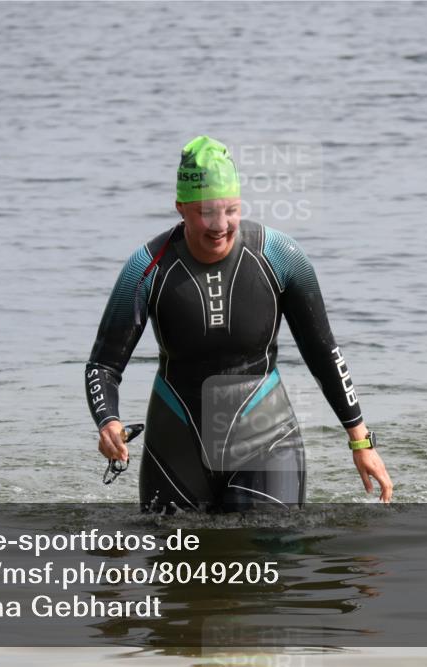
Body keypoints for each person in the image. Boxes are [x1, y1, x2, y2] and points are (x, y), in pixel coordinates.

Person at [85, 136, 393, 512]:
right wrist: (108, 422)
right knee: (171, 546)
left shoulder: (281, 257)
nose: (220, 225)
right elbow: (103, 365)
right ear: (180, 207)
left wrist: (361, 441)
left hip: (266, 439)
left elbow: (323, 351)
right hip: (176, 443)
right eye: (206, 212)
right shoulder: (146, 268)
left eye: (230, 210)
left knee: (270, 544)